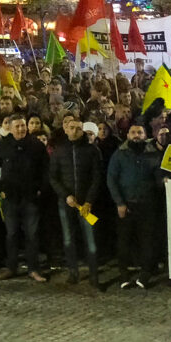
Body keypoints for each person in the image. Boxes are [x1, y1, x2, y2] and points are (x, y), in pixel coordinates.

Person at [49, 114, 104, 289]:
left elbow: (97, 178)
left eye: (78, 128)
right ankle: (73, 272)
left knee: (91, 241)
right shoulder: (59, 151)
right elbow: (53, 177)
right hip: (66, 203)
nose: (74, 131)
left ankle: (94, 275)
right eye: (71, 128)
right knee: (68, 239)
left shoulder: (92, 150)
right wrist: (65, 195)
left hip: (87, 203)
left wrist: (89, 201)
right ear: (65, 130)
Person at [0, 113, 49, 282]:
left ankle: (33, 269)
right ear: (10, 128)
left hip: (30, 198)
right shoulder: (3, 145)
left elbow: (46, 170)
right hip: (10, 198)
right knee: (12, 234)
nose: (21, 129)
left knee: (32, 235)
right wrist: (0, 189)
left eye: (23, 125)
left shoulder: (36, 145)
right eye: (17, 126)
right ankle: (11, 267)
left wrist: (40, 189)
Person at [107, 123, 163, 289]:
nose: (136, 135)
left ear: (145, 135)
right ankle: (124, 275)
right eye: (133, 132)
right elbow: (111, 179)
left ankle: (145, 274)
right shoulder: (119, 154)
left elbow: (158, 178)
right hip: (126, 205)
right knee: (124, 241)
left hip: (147, 205)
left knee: (147, 241)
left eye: (140, 132)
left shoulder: (153, 155)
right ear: (128, 135)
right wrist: (119, 202)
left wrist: (165, 181)